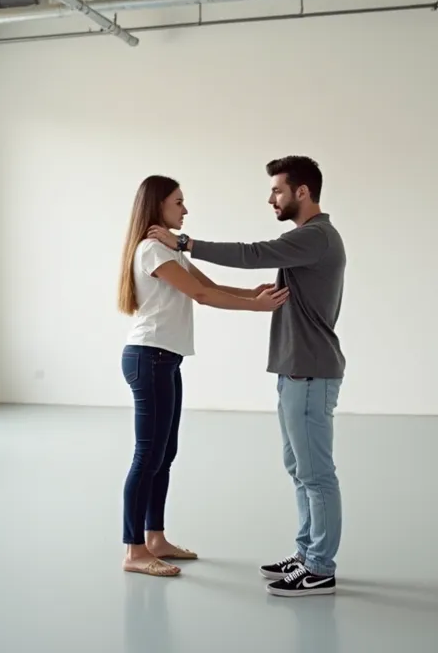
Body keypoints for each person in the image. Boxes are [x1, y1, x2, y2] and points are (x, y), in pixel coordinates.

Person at [146, 156, 346, 597]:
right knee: (299, 468)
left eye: (277, 190)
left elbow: (253, 254)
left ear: (303, 193)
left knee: (316, 473)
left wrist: (186, 243)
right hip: (297, 371)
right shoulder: (306, 239)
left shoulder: (316, 237)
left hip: (311, 372)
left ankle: (320, 567)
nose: (271, 197)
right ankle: (305, 554)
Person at [118, 175, 291, 578]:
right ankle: (134, 551)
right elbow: (202, 297)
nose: (185, 209)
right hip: (149, 358)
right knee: (147, 456)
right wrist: (257, 309)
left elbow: (209, 284)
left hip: (166, 358)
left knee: (165, 454)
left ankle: (155, 538)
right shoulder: (149, 251)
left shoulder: (170, 251)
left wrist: (254, 293)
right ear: (157, 206)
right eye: (178, 202)